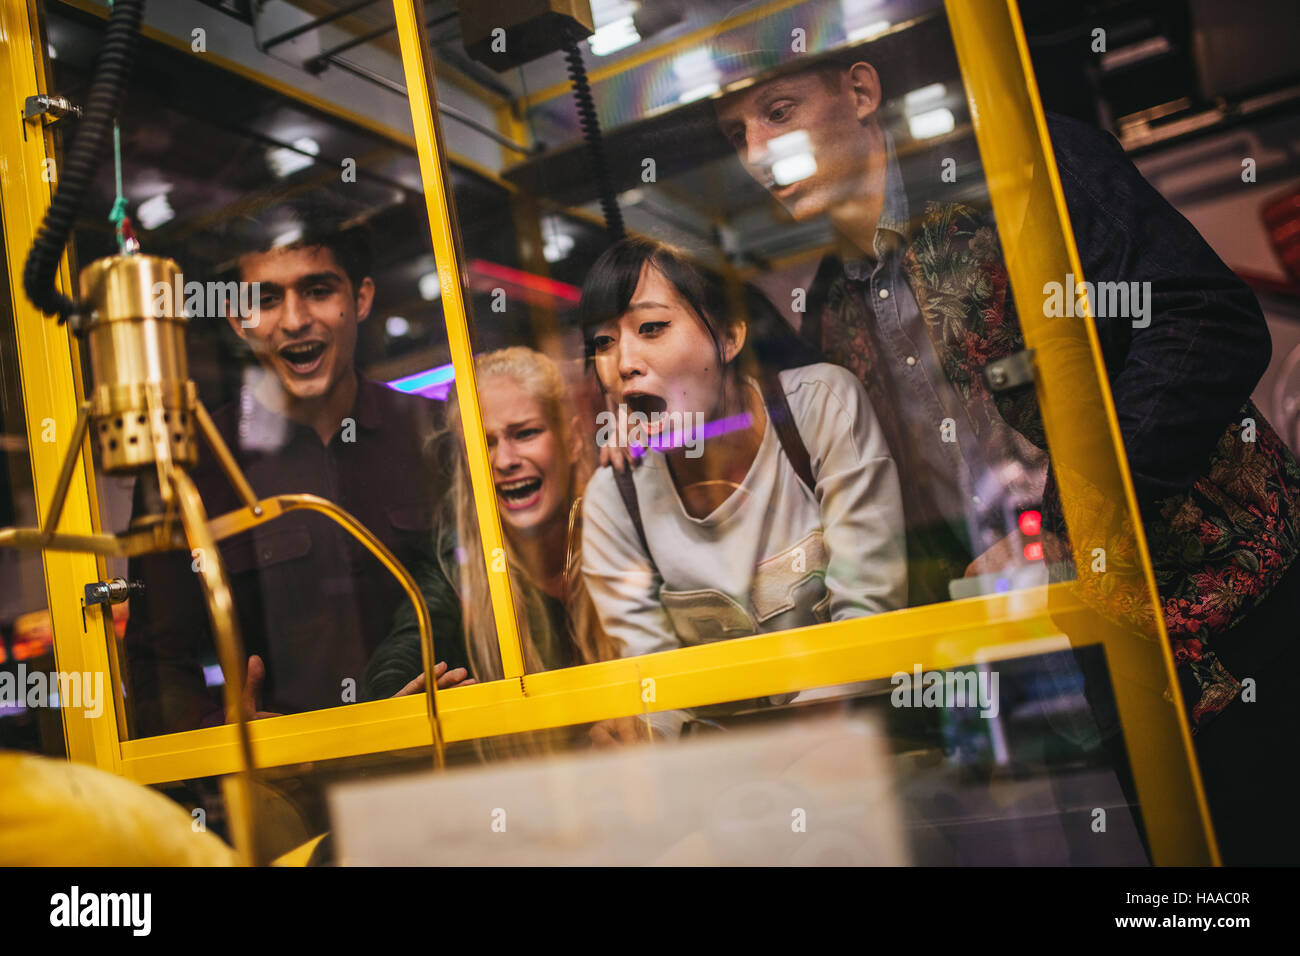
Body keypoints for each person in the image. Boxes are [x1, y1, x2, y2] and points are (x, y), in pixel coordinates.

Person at [714, 45, 1300, 863]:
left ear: (859, 90)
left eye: (778, 112)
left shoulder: (1022, 171)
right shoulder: (834, 306)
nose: (755, 152)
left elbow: (1204, 321)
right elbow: (913, 509)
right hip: (1085, 691)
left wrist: (1069, 523)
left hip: (1241, 620)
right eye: (735, 132)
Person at [123, 200, 468, 735]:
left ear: (360, 299)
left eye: (318, 290)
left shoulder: (438, 435)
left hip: (445, 755)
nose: (294, 319)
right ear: (237, 319)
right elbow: (156, 666)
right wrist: (224, 731)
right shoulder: (190, 467)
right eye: (265, 299)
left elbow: (497, 593)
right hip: (285, 794)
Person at [578, 237, 908, 737]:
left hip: (868, 754)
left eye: (652, 328)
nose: (624, 362)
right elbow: (656, 688)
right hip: (727, 790)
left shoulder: (817, 408)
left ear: (729, 336)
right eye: (603, 342)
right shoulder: (615, 499)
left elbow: (868, 614)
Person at [364, 347, 616, 701]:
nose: (505, 460)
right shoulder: (453, 571)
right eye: (485, 443)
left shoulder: (626, 540)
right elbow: (400, 658)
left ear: (572, 440)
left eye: (525, 433)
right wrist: (398, 703)